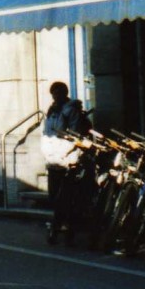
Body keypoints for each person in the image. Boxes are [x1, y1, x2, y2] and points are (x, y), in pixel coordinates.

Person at [41, 81, 91, 246]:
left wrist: (66, 155)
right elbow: (47, 134)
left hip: (67, 159)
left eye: (58, 93)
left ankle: (65, 231)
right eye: (53, 93)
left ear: (64, 93)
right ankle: (61, 227)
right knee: (55, 197)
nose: (55, 96)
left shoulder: (71, 110)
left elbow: (74, 136)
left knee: (66, 198)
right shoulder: (52, 110)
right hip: (53, 160)